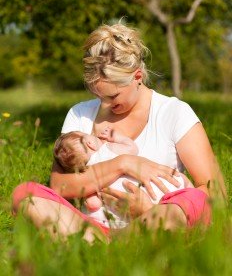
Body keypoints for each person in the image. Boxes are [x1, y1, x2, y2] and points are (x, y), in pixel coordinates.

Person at [12, 22, 226, 241]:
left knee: (194, 200)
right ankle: (108, 244)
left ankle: (108, 246)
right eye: (99, 96)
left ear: (137, 77)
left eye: (113, 96)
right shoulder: (80, 114)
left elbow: (215, 193)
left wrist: (148, 210)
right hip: (90, 225)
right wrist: (123, 163)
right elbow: (60, 185)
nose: (105, 104)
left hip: (153, 220)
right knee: (25, 193)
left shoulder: (174, 113)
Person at [53, 129, 193, 229]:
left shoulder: (86, 174)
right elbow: (132, 148)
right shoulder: (108, 149)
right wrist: (116, 137)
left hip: (123, 217)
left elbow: (93, 204)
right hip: (159, 192)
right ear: (90, 143)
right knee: (181, 183)